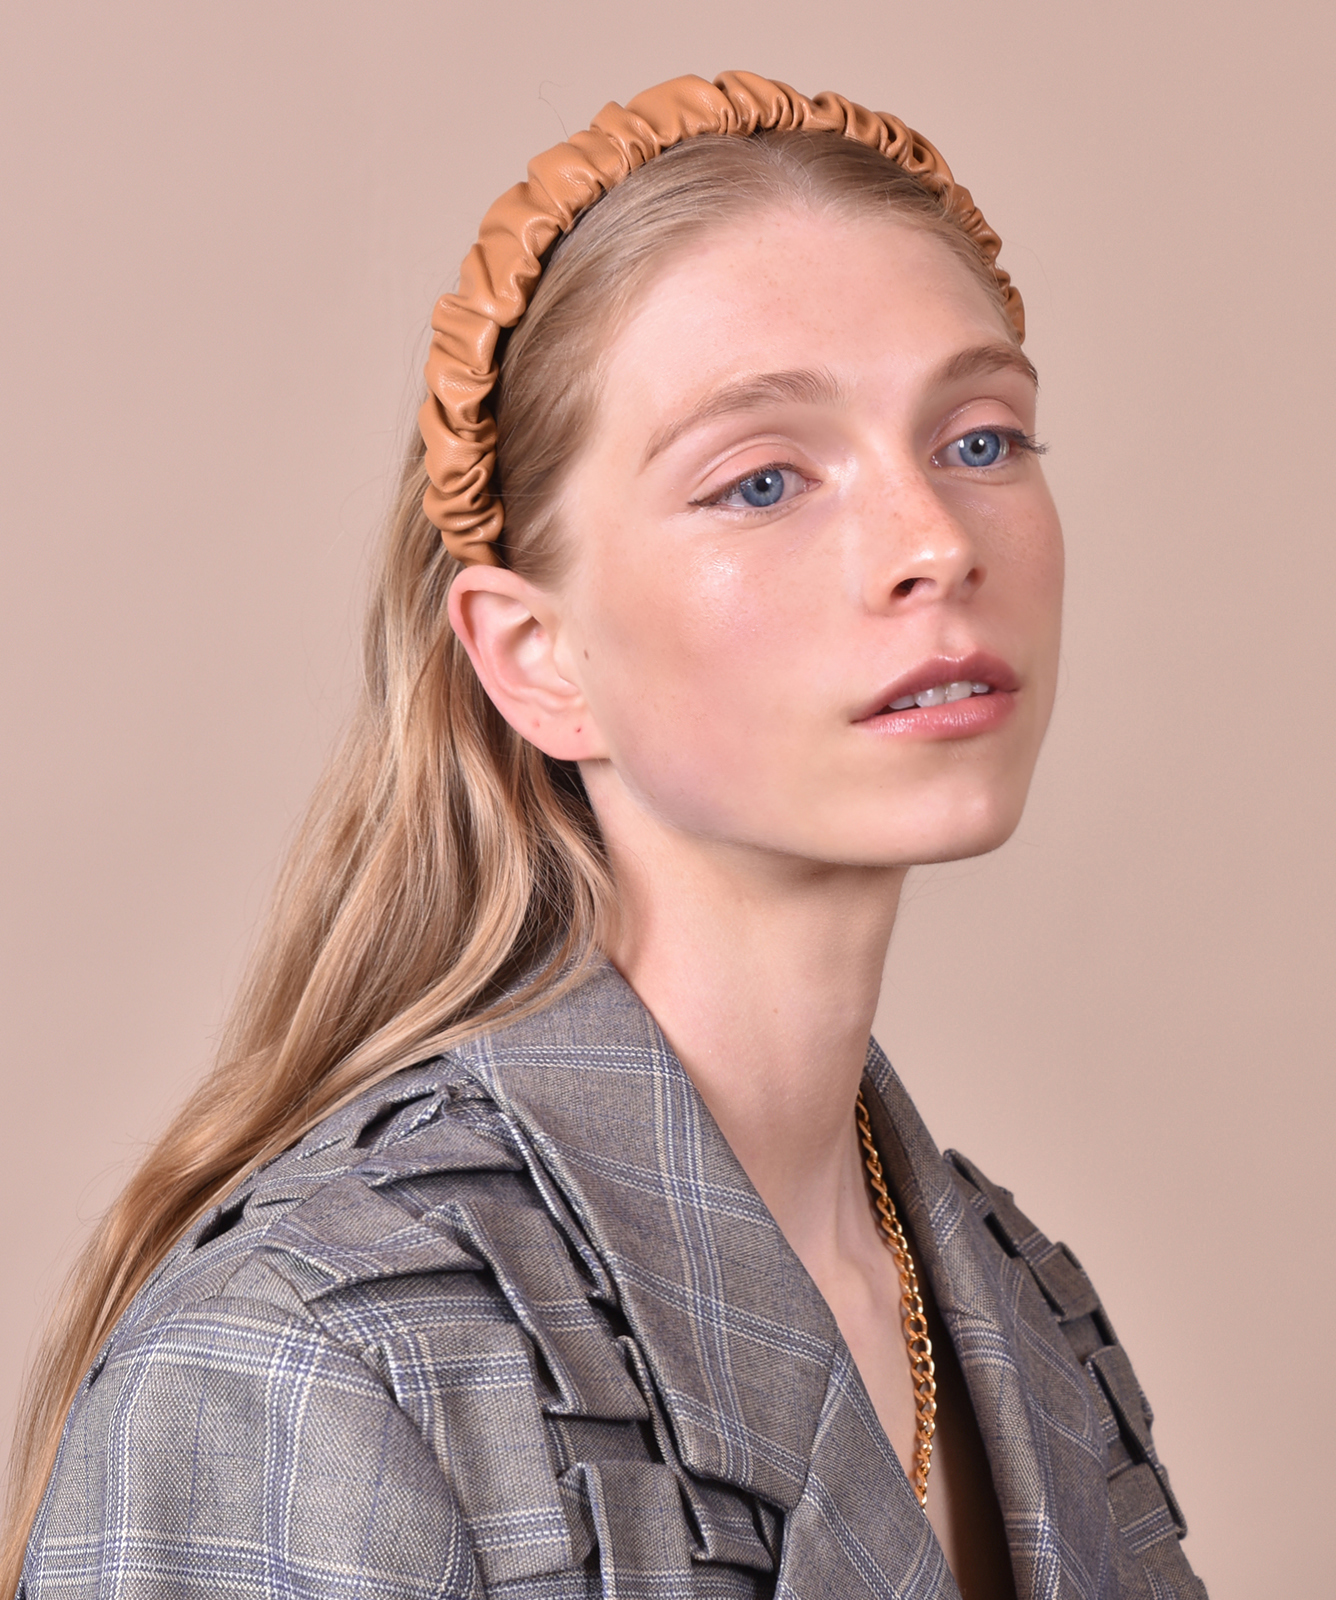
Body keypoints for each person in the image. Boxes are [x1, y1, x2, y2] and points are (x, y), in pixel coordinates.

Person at [4, 73, 1206, 1600]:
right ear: (537, 659)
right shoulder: (308, 1362)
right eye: (761, 480)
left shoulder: (1025, 1311)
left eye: (981, 441)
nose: (935, 543)